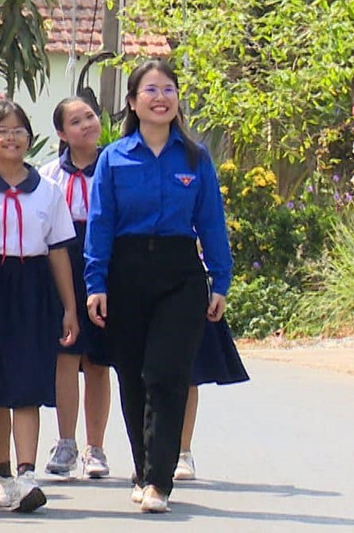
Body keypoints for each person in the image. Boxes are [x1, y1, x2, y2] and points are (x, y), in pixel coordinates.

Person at [85, 59, 232, 514]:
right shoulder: (114, 157)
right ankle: (143, 467)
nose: (161, 97)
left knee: (165, 374)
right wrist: (96, 281)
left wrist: (220, 280)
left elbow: (211, 222)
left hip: (180, 273)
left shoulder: (194, 157)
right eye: (151, 90)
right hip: (126, 272)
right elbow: (100, 223)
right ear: (132, 102)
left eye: (168, 89)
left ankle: (158, 482)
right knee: (132, 375)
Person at [0, 100, 79, 513]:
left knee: (26, 386)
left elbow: (59, 252)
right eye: (1, 130)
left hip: (33, 287)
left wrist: (69, 307)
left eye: (19, 130)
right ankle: (0, 476)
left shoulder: (49, 190)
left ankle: (26, 474)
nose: (11, 137)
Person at [38, 96, 113, 480]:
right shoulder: (49, 174)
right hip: (63, 265)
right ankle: (65, 442)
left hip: (105, 267)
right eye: (76, 121)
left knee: (98, 361)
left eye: (90, 117)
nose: (86, 125)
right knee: (65, 356)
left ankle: (94, 447)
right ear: (61, 134)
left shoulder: (114, 165)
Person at [175, 317, 250, 481]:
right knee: (146, 374)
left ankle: (183, 453)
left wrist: (219, 291)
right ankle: (147, 456)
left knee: (188, 370)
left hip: (189, 298)